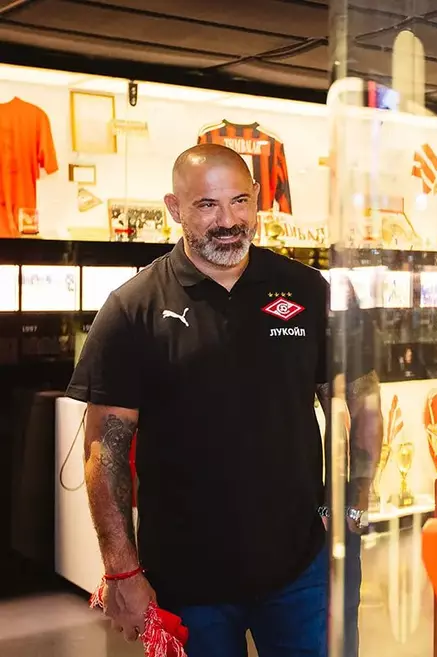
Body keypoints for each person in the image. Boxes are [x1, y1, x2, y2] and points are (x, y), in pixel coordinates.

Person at [67, 143, 381, 656]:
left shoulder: (309, 290)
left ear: (257, 198)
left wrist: (352, 503)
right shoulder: (133, 307)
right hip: (186, 579)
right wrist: (121, 570)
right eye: (207, 205)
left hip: (303, 568)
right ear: (174, 208)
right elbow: (105, 449)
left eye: (240, 201)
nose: (229, 221)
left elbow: (362, 398)